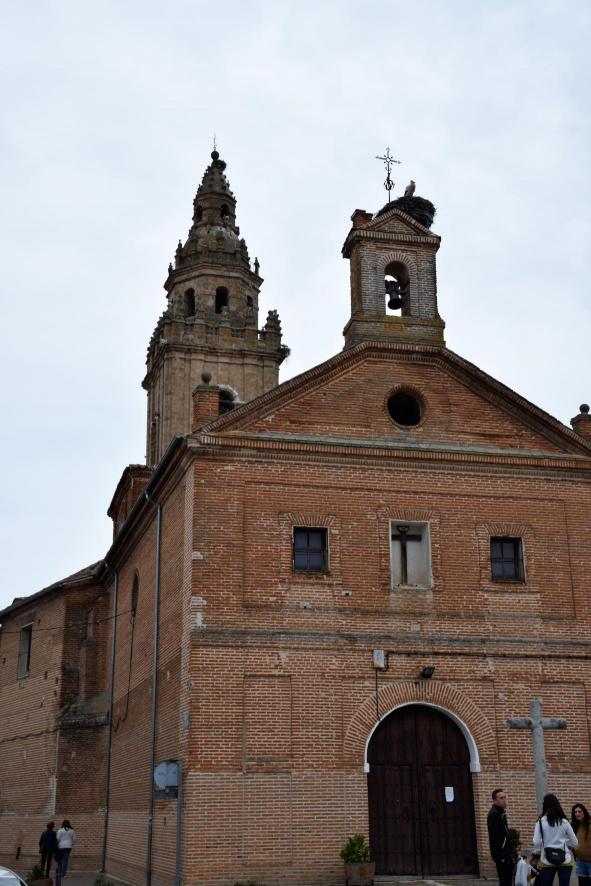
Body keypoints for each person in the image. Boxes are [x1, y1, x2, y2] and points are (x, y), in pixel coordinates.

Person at [533, 793, 577, 886]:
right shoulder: (564, 822)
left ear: (544, 805)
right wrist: (565, 842)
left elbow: (536, 842)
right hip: (565, 860)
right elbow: (575, 843)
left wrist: (546, 842)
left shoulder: (540, 822)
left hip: (547, 861)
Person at [488, 788, 515, 886]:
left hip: (506, 853)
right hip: (502, 855)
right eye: (501, 798)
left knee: (507, 881)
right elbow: (494, 837)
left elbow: (505, 833)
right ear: (494, 801)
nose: (504, 800)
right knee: (505, 881)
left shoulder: (501, 813)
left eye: (505, 797)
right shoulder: (494, 814)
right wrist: (500, 856)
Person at [571, 803, 591, 886]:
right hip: (580, 861)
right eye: (575, 812)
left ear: (584, 812)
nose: (577, 813)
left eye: (579, 811)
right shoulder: (574, 826)